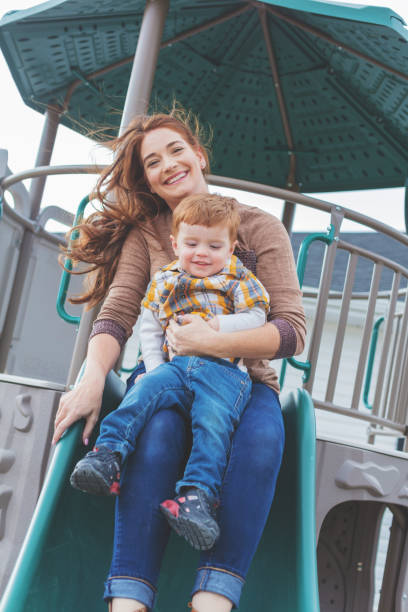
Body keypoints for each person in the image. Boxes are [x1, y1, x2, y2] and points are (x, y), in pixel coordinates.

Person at [52, 109, 306, 612]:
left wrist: (211, 342)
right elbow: (118, 314)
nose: (167, 164)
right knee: (159, 436)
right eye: (152, 162)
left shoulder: (257, 228)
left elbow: (290, 330)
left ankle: (212, 599)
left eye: (175, 150)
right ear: (146, 178)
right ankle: (128, 600)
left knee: (261, 439)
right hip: (164, 369)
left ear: (199, 155)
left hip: (242, 376)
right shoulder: (148, 234)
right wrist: (92, 378)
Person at [69, 193, 270, 552]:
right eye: (192, 243)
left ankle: (196, 498)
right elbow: (149, 326)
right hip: (175, 366)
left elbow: (256, 317)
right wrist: (156, 370)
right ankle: (108, 455)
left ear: (231, 248)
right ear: (176, 244)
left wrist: (214, 327)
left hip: (224, 373)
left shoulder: (239, 279)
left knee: (213, 424)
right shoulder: (166, 279)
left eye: (214, 245)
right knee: (141, 396)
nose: (202, 253)